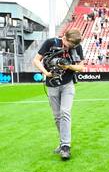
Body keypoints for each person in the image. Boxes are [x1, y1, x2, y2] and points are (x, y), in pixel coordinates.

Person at [32, 28, 84, 160]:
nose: (71, 47)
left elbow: (81, 67)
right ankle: (62, 143)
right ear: (65, 38)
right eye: (70, 44)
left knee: (65, 112)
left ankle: (66, 146)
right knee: (57, 116)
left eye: (73, 46)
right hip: (52, 84)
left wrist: (68, 67)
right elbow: (36, 60)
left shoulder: (77, 47)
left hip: (68, 84)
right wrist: (46, 73)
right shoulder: (50, 43)